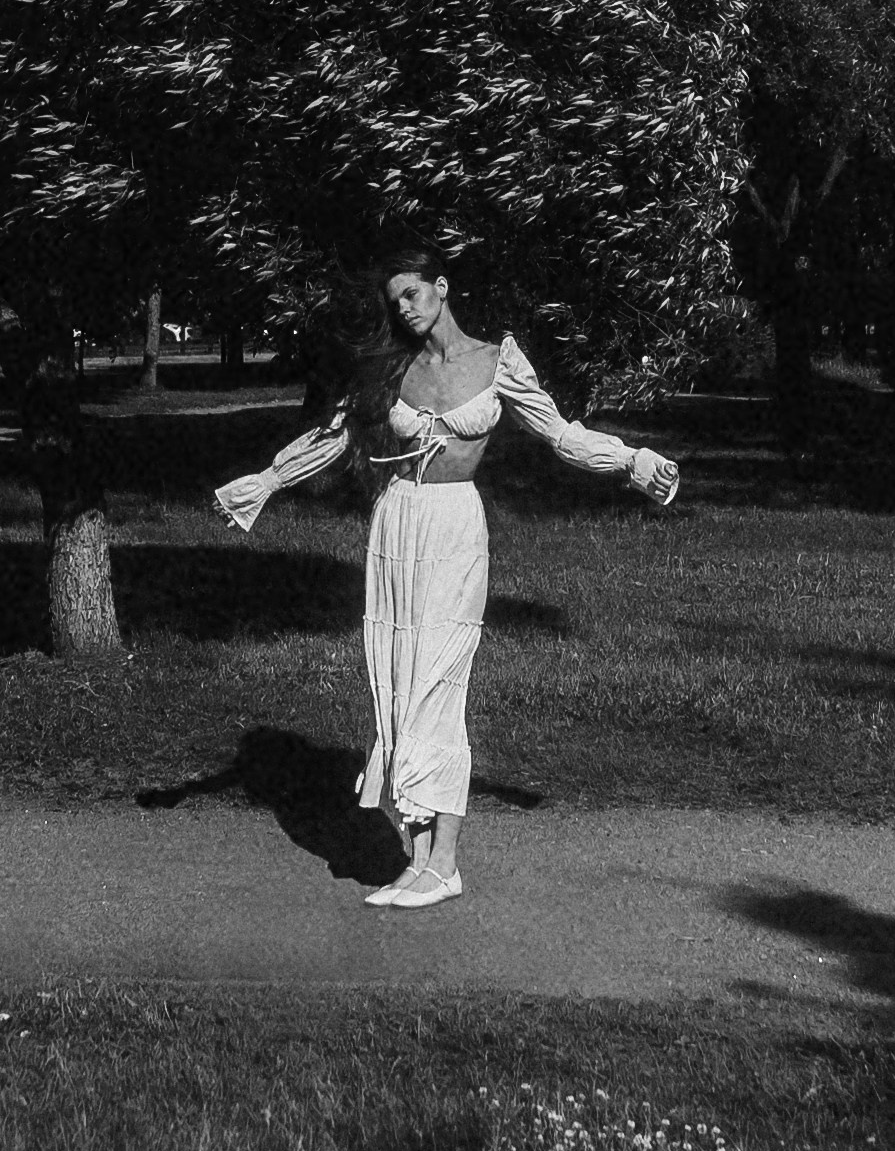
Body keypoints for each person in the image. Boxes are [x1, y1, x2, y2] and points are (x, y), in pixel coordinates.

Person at [213, 237, 680, 910]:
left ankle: (447, 861)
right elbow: (336, 433)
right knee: (400, 690)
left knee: (439, 683)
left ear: (443, 286)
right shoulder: (390, 369)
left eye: (414, 291)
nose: (405, 308)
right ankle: (421, 859)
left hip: (457, 529)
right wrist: (264, 480)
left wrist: (633, 460)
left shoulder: (497, 362)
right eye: (395, 299)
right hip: (397, 522)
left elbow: (562, 436)